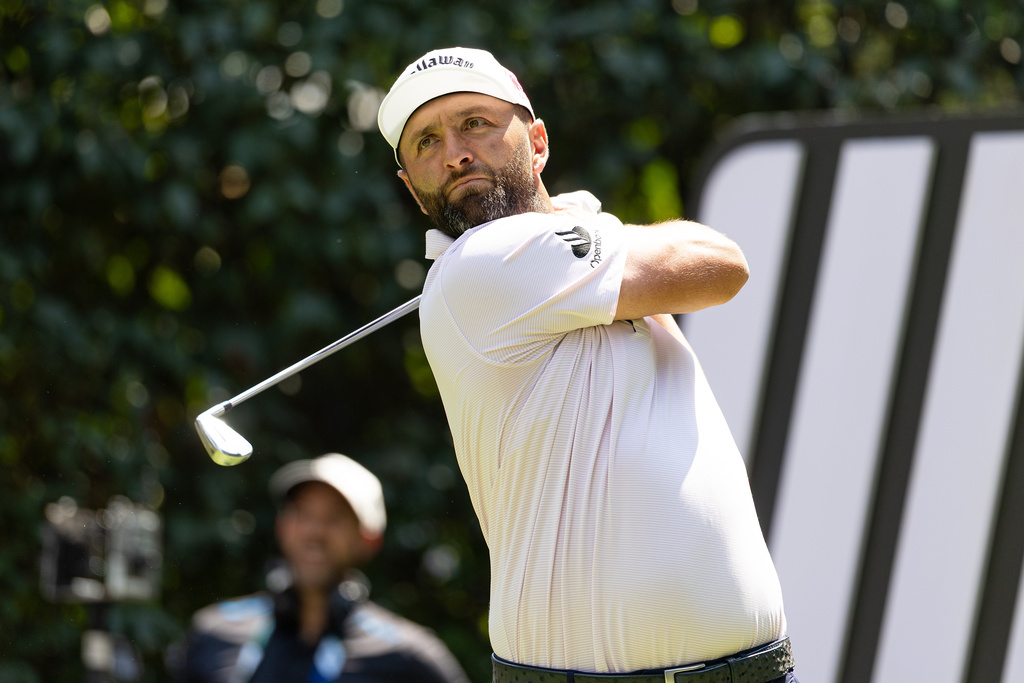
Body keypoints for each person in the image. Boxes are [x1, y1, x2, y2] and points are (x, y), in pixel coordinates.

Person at [376, 47, 799, 683]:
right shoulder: (478, 266)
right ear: (412, 188)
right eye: (426, 142)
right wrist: (591, 226)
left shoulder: (560, 261)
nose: (456, 152)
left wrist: (583, 231)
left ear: (537, 140)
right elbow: (719, 262)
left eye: (476, 123)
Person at [174, 453, 470, 683]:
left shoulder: (409, 655)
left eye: (334, 518)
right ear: (282, 526)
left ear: (368, 539)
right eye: (302, 514)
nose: (314, 532)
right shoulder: (214, 631)